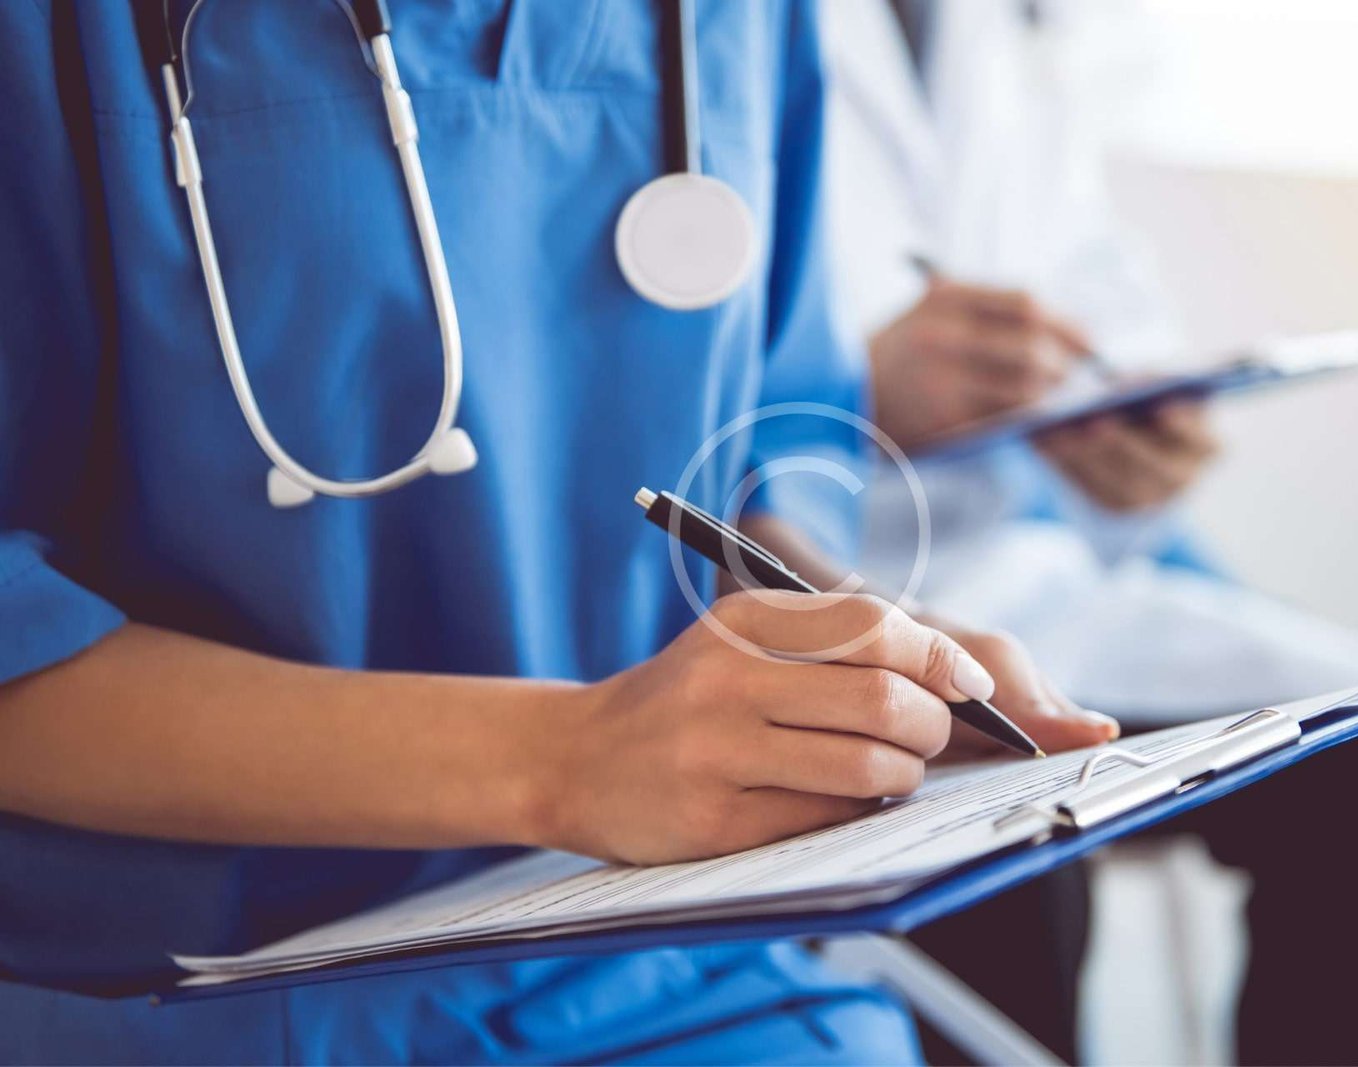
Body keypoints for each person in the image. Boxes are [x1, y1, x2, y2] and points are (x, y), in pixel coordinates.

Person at [0, 2, 1116, 1062]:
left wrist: (851, 648)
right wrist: (565, 759)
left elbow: (761, 431)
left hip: (662, 947)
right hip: (183, 993)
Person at [821, 1, 1358, 1062]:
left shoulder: (1010, 35)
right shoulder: (719, 40)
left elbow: (1098, 301)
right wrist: (853, 394)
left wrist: (1137, 447)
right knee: (992, 837)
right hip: (840, 600)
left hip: (1032, 586)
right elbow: (683, 398)